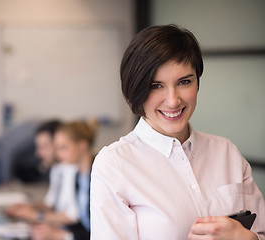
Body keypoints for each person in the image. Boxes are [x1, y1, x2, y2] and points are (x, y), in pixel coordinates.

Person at [90, 24, 265, 239]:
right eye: (156, 85)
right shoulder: (115, 164)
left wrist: (247, 238)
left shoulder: (226, 151)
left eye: (184, 82)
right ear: (136, 89)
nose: (173, 101)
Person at [4, 120, 80, 227]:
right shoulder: (56, 168)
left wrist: (35, 215)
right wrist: (28, 208)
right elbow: (50, 203)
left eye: (44, 147)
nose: (38, 153)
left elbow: (73, 216)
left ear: (58, 143)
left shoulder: (74, 170)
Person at [31, 120, 96, 240]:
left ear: (82, 145)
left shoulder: (99, 175)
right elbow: (85, 225)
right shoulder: (79, 176)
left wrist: (62, 235)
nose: (58, 154)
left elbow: (100, 229)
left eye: (63, 148)